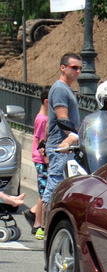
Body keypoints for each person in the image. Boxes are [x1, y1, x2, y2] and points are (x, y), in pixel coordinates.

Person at [40, 53, 83, 240]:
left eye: (80, 68)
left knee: (64, 187)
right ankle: (44, 226)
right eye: (74, 67)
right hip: (61, 147)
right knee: (54, 185)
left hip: (67, 147)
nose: (78, 71)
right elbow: (62, 118)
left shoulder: (66, 89)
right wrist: (72, 136)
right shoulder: (59, 89)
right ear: (63, 68)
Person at [22, 85, 50, 236]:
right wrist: (46, 160)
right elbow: (41, 141)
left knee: (44, 191)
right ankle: (37, 223)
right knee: (44, 193)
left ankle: (33, 212)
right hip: (41, 159)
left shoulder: (44, 118)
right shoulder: (42, 119)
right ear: (47, 102)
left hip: (41, 159)